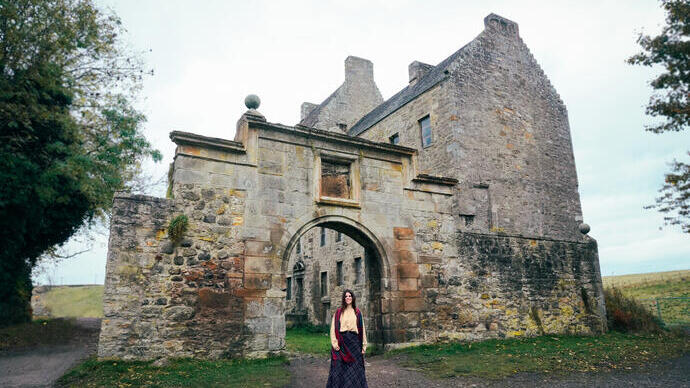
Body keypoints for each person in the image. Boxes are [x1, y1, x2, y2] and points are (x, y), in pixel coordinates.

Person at [326, 289, 368, 388]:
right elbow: (333, 328)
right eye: (346, 296)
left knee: (354, 369)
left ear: (353, 298)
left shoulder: (357, 312)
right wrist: (334, 343)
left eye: (350, 296)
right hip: (341, 343)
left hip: (354, 343)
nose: (348, 298)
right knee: (339, 368)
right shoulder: (339, 312)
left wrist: (364, 345)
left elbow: (362, 329)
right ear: (343, 299)